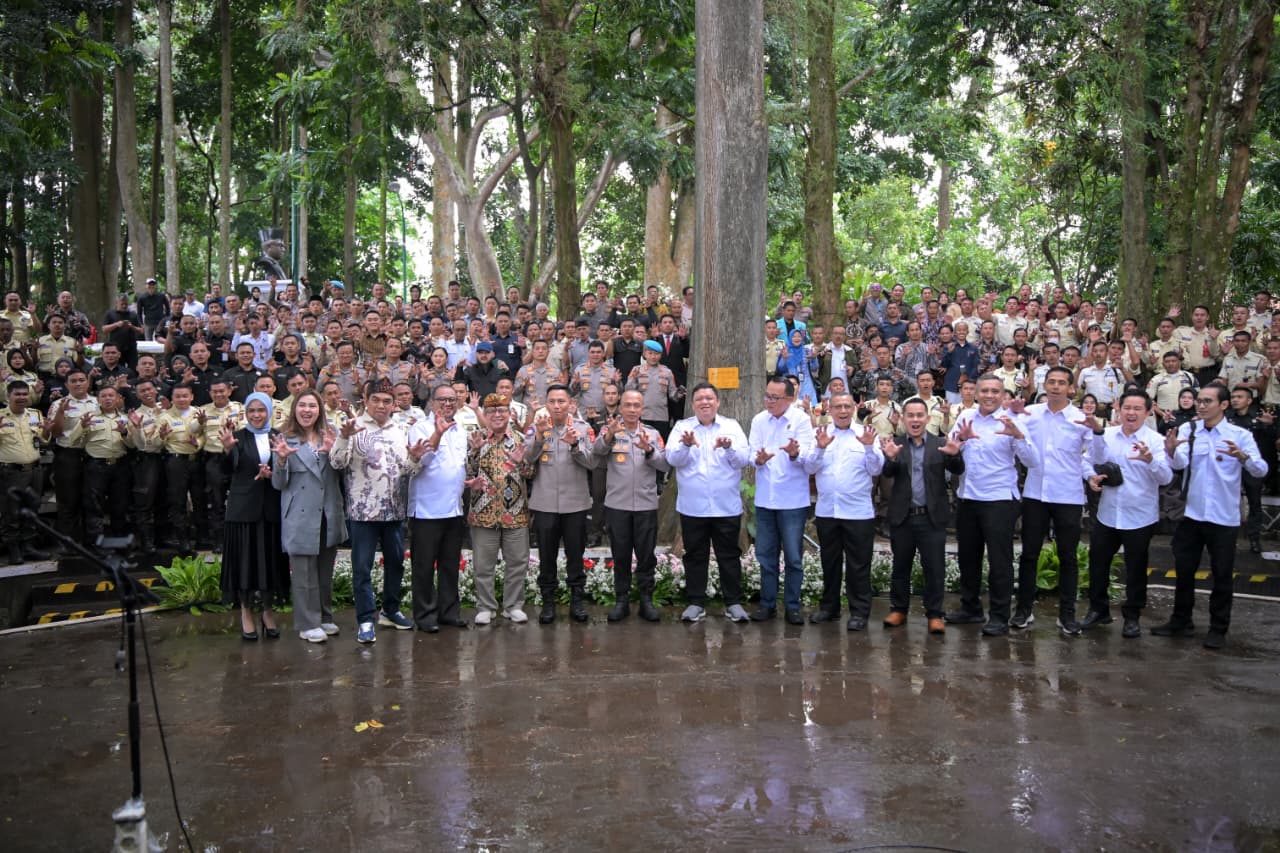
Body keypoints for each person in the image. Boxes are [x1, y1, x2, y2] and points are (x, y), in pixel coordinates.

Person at [1156, 383, 1267, 649]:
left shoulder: (1239, 435)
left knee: (1222, 574)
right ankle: (1181, 621)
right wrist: (1171, 451)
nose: (1201, 405)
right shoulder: (1189, 430)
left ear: (1224, 405)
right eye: (1199, 401)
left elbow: (1261, 469)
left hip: (1223, 517)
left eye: (1208, 401)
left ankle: (1218, 628)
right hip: (1192, 515)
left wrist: (1243, 458)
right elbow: (1180, 464)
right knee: (1184, 570)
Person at [331, 378, 428, 644]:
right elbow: (337, 462)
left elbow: (407, 471)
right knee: (362, 567)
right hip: (363, 512)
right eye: (376, 400)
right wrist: (343, 437)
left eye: (387, 401)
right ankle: (365, 619)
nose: (381, 405)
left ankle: (390, 610)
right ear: (366, 400)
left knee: (395, 563)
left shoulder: (401, 430)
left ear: (394, 404)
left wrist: (415, 457)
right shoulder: (354, 427)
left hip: (394, 511)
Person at [1011, 365, 1104, 636]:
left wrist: (1098, 431)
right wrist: (1012, 412)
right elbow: (1012, 434)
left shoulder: (1081, 418)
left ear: (1071, 388)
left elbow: (1096, 456)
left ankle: (1067, 615)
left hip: (1068, 496)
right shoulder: (1030, 413)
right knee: (1029, 554)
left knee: (1068, 557)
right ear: (1045, 385)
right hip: (1035, 494)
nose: (1055, 387)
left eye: (1061, 382)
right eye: (1051, 381)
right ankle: (1023, 610)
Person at [945, 375, 1041, 636]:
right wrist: (960, 442)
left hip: (999, 500)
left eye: (995, 391)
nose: (989, 395)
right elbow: (952, 450)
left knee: (999, 561)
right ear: (976, 393)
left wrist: (1018, 436)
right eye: (984, 390)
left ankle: (999, 615)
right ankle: (971, 608)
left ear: (1002, 395)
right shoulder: (966, 416)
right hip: (968, 497)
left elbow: (1032, 461)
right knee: (968, 558)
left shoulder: (1012, 420)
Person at [1080, 389, 1173, 638]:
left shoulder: (1155, 440)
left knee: (1136, 568)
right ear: (1118, 409)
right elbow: (1087, 460)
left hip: (1139, 515)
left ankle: (1132, 616)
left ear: (1148, 412)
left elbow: (1166, 477)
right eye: (1127, 408)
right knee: (1098, 563)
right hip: (1108, 512)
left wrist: (1150, 460)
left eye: (1137, 408)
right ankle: (1098, 610)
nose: (1131, 413)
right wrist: (1091, 477)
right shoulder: (1106, 435)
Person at [665, 382, 751, 624]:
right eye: (700, 399)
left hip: (726, 506)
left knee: (729, 555)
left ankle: (733, 603)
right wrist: (685, 445)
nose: (705, 402)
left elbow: (744, 459)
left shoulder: (731, 427)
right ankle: (696, 603)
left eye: (709, 398)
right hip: (693, 507)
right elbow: (672, 459)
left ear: (717, 402)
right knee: (695, 555)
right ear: (693, 404)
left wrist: (729, 447)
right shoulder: (682, 427)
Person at [880, 398, 965, 633]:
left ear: (927, 418)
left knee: (934, 568)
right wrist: (891, 458)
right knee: (900, 566)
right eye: (910, 415)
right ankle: (899, 609)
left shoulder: (939, 443)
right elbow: (887, 473)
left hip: (931, 517)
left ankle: (935, 614)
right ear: (903, 419)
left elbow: (958, 469)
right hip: (903, 517)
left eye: (919, 415)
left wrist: (954, 455)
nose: (915, 420)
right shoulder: (896, 444)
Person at [802, 392, 883, 630]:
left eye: (847, 406)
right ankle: (830, 608)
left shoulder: (866, 434)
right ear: (830, 409)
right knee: (830, 563)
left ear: (854, 408)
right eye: (838, 406)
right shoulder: (820, 433)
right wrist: (819, 449)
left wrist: (869, 448)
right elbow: (809, 467)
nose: (843, 411)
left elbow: (876, 469)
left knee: (859, 565)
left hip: (858, 513)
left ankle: (859, 612)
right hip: (828, 511)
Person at [271, 389, 345, 643]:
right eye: (302, 405)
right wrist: (281, 461)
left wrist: (332, 452)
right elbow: (278, 483)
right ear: (294, 409)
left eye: (312, 406)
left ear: (319, 410)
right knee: (303, 573)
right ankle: (307, 623)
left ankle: (324, 616)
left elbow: (342, 471)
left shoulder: (330, 434)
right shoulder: (285, 438)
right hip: (300, 513)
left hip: (327, 511)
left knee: (324, 571)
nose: (307, 410)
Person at [217, 393, 288, 640]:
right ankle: (246, 612)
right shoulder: (237, 436)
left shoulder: (277, 436)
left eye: (261, 410)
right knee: (245, 563)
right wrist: (227, 449)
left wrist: (274, 471)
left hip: (271, 509)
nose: (256, 415)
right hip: (243, 510)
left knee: (269, 562)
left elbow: (286, 468)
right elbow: (226, 471)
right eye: (252, 411)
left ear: (269, 411)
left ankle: (267, 611)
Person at [524, 385, 595, 624]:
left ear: (570, 404)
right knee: (547, 556)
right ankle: (548, 602)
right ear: (546, 404)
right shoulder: (537, 427)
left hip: (575, 504)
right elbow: (527, 459)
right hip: (545, 504)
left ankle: (577, 600)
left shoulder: (582, 429)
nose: (556, 406)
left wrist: (575, 445)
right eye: (552, 401)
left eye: (561, 401)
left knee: (575, 554)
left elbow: (592, 462)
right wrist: (539, 436)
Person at [748, 377, 815, 624]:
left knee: (793, 557)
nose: (769, 401)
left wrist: (796, 454)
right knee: (766, 555)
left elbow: (809, 457)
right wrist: (758, 459)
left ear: (789, 398)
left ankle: (792, 606)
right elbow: (751, 452)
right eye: (767, 396)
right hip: (766, 498)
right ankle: (767, 604)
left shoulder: (801, 420)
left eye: (774, 398)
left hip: (792, 500)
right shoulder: (759, 420)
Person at [464, 393, 535, 626]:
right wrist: (475, 453)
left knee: (517, 563)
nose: (497, 415)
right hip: (482, 511)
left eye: (502, 410)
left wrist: (519, 463)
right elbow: (467, 471)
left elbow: (531, 474)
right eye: (492, 411)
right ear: (484, 414)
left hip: (515, 512)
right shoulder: (476, 437)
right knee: (483, 565)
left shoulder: (521, 439)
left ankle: (513, 606)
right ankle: (486, 607)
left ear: (509, 414)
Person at [406, 385, 471, 632]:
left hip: (454, 509)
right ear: (432, 402)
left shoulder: (460, 430)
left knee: (450, 565)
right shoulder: (420, 428)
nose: (447, 404)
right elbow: (420, 462)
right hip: (427, 510)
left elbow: (457, 466)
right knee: (423, 567)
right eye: (442, 399)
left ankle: (449, 612)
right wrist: (438, 434)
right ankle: (425, 616)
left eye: (452, 399)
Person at [65, 386, 132, 542]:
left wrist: (124, 433)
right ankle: (96, 542)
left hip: (120, 466)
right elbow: (72, 441)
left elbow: (132, 445)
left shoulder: (125, 418)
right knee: (94, 506)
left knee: (120, 505)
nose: (108, 399)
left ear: (118, 398)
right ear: (98, 399)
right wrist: (82, 426)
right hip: (96, 466)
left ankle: (119, 541)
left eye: (111, 395)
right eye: (104, 396)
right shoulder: (88, 417)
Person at [0, 381, 50, 563]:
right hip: (11, 472)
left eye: (25, 394)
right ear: (8, 396)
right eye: (17, 394)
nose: (22, 398)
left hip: (35, 470)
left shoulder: (36, 414)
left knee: (32, 510)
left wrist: (47, 431)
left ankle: (28, 547)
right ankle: (13, 550)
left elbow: (43, 440)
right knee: (11, 512)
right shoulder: (1, 417)